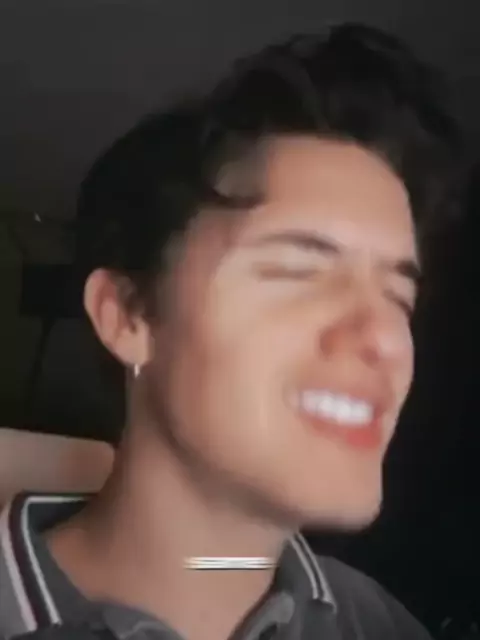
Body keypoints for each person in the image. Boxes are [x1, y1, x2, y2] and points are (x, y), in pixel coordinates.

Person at [0, 22, 460, 640]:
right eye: (299, 273)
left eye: (399, 298)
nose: (386, 340)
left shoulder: (377, 623)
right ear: (127, 315)